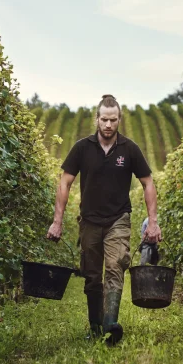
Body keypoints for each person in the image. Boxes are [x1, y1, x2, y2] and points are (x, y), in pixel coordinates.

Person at [46, 94, 162, 346]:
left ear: (119, 119)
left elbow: (148, 182)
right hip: (88, 221)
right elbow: (65, 182)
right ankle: (96, 327)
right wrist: (57, 221)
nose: (108, 125)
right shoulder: (82, 148)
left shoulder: (129, 149)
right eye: (104, 120)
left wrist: (153, 221)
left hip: (118, 219)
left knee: (114, 267)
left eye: (113, 120)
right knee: (91, 276)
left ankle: (111, 325)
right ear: (96, 119)